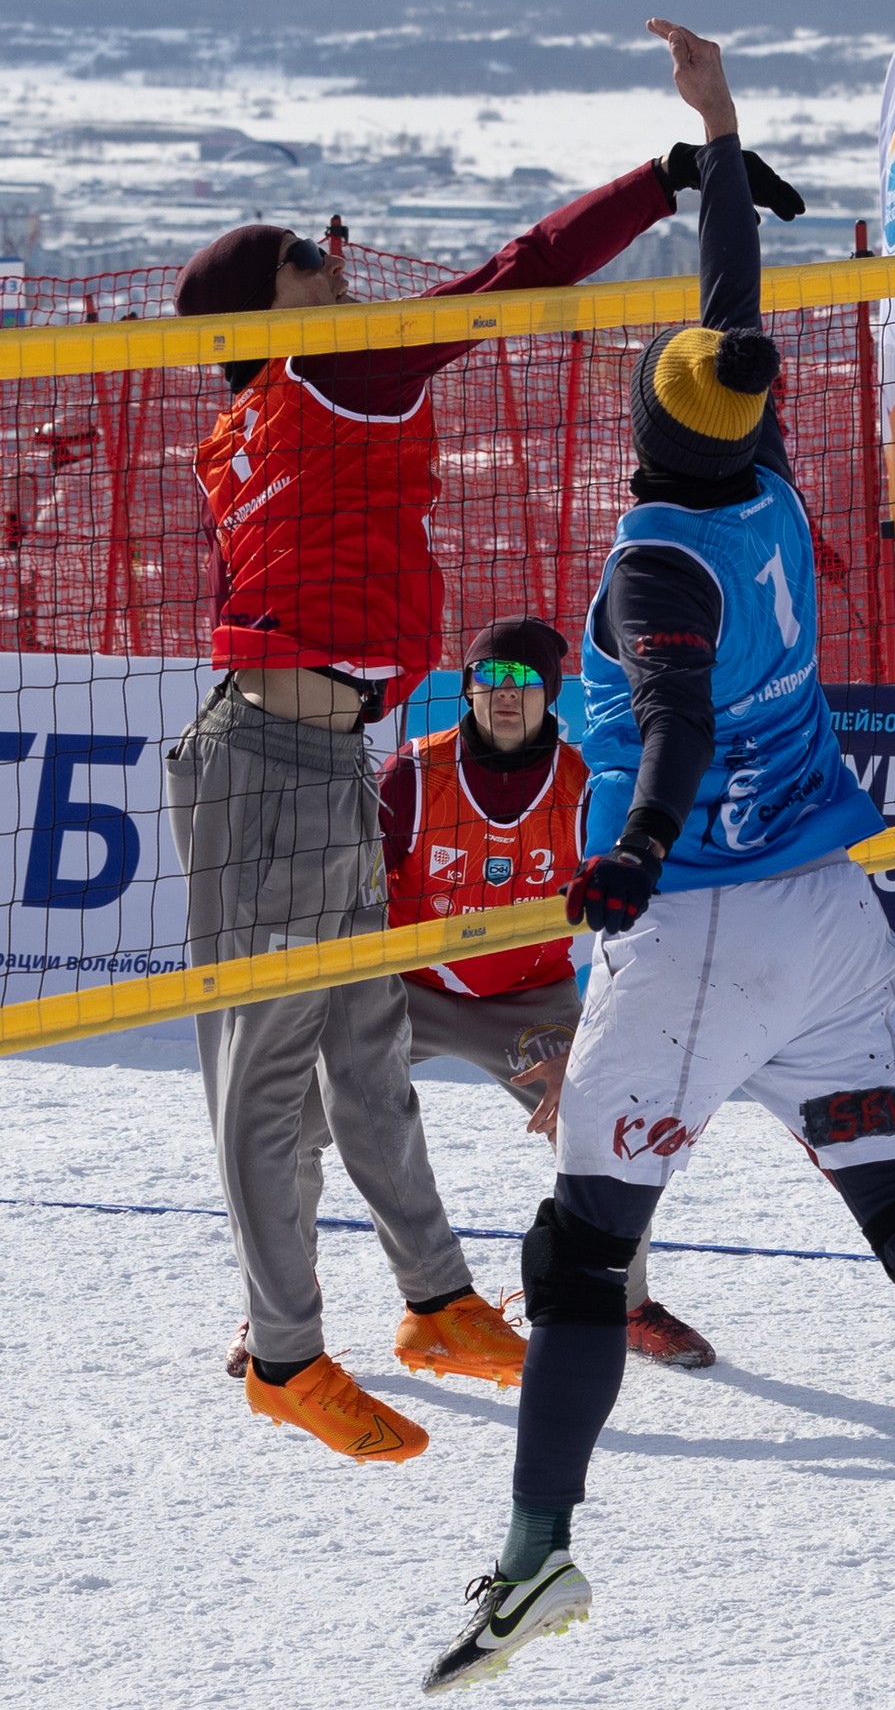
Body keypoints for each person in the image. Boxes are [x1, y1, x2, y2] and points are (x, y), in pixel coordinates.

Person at [420, 23, 895, 1695]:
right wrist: (720, 141)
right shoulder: (758, 483)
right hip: (833, 920)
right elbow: (736, 323)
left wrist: (636, 852)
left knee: (577, 1253)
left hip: (700, 931)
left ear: (642, 430)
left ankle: (537, 1559)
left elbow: (667, 725)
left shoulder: (654, 561)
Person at [167, 149, 793, 1463]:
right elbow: (518, 272)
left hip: (324, 752)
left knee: (352, 1049)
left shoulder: (257, 413)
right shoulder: (328, 375)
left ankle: (434, 1302)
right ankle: (281, 1352)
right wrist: (663, 178)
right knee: (270, 1071)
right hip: (270, 756)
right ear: (265, 308)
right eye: (307, 262)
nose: (335, 269)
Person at [223, 615, 715, 1377]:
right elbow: (348, 899)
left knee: (609, 1129)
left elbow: (629, 928)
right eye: (488, 678)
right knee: (287, 1131)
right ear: (469, 688)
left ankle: (624, 1305)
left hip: (529, 999)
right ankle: (272, 1318)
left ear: (551, 695)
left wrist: (596, 1048)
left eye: (521, 680)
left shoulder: (587, 785)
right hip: (405, 992)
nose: (503, 693)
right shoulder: (413, 774)